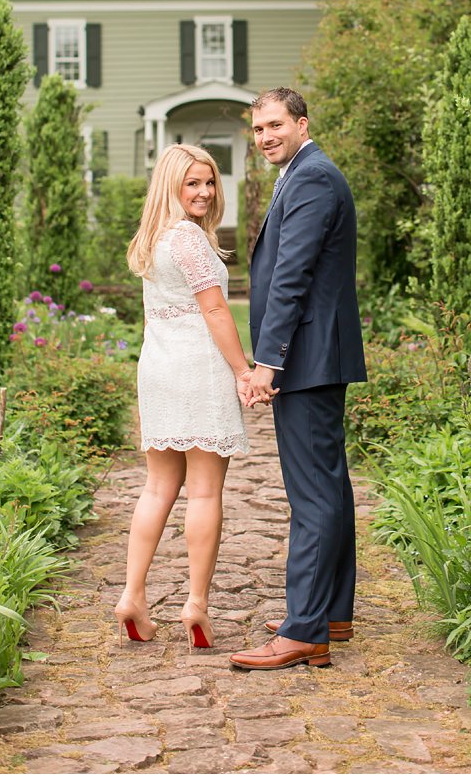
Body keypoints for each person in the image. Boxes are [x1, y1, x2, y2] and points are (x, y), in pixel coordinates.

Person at [229, 87, 366, 671]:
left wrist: (268, 361)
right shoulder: (303, 172)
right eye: (258, 128)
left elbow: (291, 276)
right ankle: (331, 610)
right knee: (328, 486)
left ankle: (305, 628)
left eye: (276, 125)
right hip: (317, 356)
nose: (265, 137)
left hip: (306, 359)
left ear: (302, 123)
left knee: (312, 494)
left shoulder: (311, 177)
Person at [114, 143, 252, 649]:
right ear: (171, 185)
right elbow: (216, 311)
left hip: (159, 367)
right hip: (197, 366)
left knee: (156, 488)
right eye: (192, 182)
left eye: (210, 182)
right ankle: (196, 604)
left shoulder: (151, 240)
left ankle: (133, 595)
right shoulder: (190, 241)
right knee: (205, 491)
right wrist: (243, 370)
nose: (204, 192)